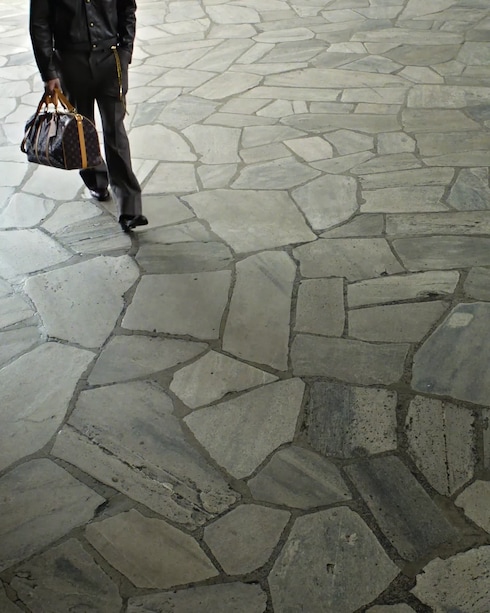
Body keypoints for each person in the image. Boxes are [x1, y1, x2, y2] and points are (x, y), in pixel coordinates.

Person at [29, 0, 148, 232]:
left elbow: (127, 8)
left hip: (110, 60)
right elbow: (39, 23)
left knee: (115, 131)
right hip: (69, 63)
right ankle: (96, 180)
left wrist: (125, 51)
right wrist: (48, 71)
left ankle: (130, 208)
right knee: (82, 129)